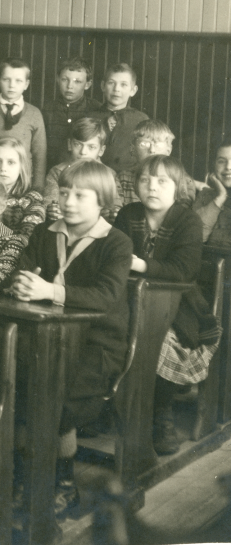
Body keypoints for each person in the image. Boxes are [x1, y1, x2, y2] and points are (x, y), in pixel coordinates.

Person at [9, 160, 132, 519]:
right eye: (64, 193)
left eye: (80, 195)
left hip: (99, 347)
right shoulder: (46, 233)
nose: (69, 201)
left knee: (57, 403)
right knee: (19, 391)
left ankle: (63, 485)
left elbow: (106, 297)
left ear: (103, 202)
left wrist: (49, 289)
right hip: (49, 339)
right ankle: (25, 478)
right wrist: (21, 282)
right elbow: (24, 268)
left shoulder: (117, 242)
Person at [114, 156, 217, 455]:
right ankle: (114, 407)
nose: (152, 187)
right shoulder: (128, 213)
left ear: (177, 187)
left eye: (162, 181)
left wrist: (141, 265)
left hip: (180, 302)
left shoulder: (187, 220)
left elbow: (183, 271)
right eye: (145, 180)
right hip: (129, 298)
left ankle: (161, 413)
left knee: (161, 341)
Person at [0, 58, 47, 190]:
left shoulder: (34, 113)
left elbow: (40, 154)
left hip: (22, 184)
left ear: (26, 84)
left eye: (18, 81)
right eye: (6, 79)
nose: (12, 85)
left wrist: (37, 187)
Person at [44, 117, 119, 222]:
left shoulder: (109, 174)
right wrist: (53, 210)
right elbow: (52, 205)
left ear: (101, 150)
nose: (83, 152)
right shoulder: (57, 172)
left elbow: (115, 207)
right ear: (70, 144)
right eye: (78, 144)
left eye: (91, 147)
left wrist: (111, 212)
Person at [114, 119, 197, 207]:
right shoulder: (122, 178)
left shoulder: (182, 179)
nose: (152, 150)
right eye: (144, 144)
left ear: (168, 150)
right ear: (132, 149)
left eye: (158, 145)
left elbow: (182, 211)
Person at [94, 62, 149, 174]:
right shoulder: (90, 117)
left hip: (129, 179)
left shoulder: (141, 120)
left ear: (133, 90)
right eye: (111, 83)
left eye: (123, 84)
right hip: (95, 176)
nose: (116, 89)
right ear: (103, 86)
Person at [0, 136, 46, 238]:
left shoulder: (31, 199)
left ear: (21, 167)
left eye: (11, 162)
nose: (3, 168)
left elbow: (29, 236)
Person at [45, 57, 96, 169]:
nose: (69, 86)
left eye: (77, 81)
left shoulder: (96, 110)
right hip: (52, 171)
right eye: (65, 79)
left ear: (87, 84)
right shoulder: (46, 110)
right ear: (57, 79)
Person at [193, 140, 231, 246]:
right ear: (214, 165)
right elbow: (196, 237)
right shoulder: (205, 195)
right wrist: (221, 197)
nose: (228, 167)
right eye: (221, 161)